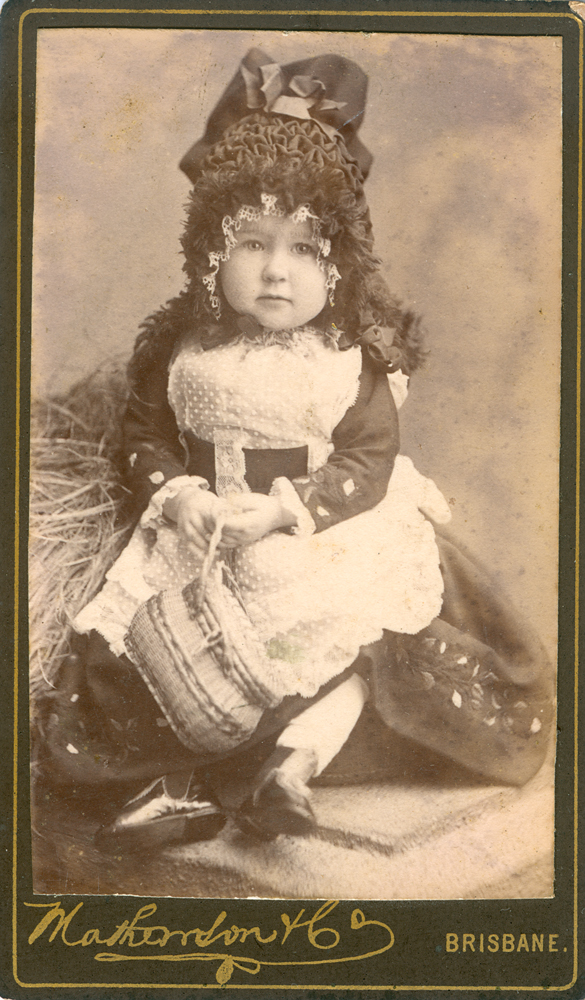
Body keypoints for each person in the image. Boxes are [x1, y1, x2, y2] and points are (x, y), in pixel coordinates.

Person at [37, 49, 554, 854]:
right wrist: (181, 493)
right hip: (206, 531)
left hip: (321, 532)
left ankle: (292, 765)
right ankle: (184, 786)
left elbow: (366, 464)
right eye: (251, 243)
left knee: (365, 650)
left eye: (306, 250)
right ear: (211, 251)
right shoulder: (181, 347)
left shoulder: (349, 354)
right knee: (147, 655)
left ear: (339, 262)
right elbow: (143, 437)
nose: (276, 272)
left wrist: (287, 512)